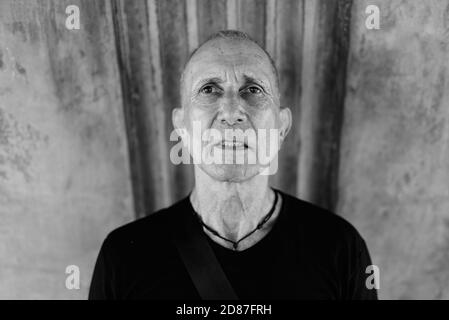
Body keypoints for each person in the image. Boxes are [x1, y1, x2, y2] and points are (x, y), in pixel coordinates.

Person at [88, 30, 378, 300]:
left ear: (281, 127)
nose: (230, 112)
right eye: (209, 90)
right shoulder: (124, 256)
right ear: (182, 127)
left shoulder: (340, 248)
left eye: (253, 90)